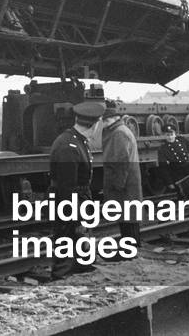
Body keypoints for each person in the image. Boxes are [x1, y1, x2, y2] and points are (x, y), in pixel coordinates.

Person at [49, 101, 103, 274]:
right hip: (71, 204)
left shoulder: (76, 140)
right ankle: (62, 281)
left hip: (79, 201)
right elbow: (67, 188)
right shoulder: (69, 146)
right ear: (94, 125)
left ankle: (81, 275)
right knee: (67, 248)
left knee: (80, 249)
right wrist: (77, 218)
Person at [100, 104, 142, 246]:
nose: (103, 123)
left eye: (105, 120)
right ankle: (131, 247)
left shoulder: (119, 133)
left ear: (114, 118)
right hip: (127, 182)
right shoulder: (121, 130)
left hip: (124, 183)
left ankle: (131, 249)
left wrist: (118, 183)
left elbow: (121, 161)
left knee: (128, 218)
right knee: (128, 218)